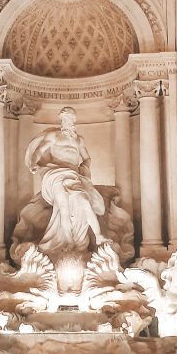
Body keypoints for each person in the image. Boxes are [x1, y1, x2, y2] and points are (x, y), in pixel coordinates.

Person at [24, 107, 105, 256]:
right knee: (63, 207)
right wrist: (34, 163)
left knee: (84, 201)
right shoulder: (53, 136)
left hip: (73, 176)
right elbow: (39, 151)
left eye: (71, 118)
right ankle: (68, 242)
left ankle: (99, 236)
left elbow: (87, 158)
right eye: (65, 118)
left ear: (74, 120)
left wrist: (84, 167)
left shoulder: (79, 140)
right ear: (61, 120)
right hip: (55, 175)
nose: (68, 122)